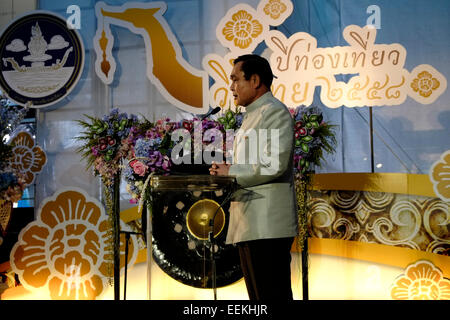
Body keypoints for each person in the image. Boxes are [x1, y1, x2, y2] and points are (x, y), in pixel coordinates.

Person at [209, 54, 298, 300]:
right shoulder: (253, 115)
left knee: (272, 296)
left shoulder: (274, 112)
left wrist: (232, 172)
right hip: (251, 222)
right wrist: (225, 173)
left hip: (267, 224)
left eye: (236, 80)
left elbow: (274, 164)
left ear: (256, 80)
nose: (231, 87)